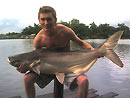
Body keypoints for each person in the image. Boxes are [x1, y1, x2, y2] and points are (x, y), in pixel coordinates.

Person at [17, 6, 98, 98]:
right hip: (48, 69)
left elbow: (81, 43)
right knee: (27, 79)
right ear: (39, 21)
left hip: (67, 67)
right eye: (43, 19)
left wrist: (94, 51)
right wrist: (26, 68)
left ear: (55, 20)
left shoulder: (65, 31)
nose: (46, 23)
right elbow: (35, 60)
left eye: (49, 19)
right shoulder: (38, 39)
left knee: (83, 81)